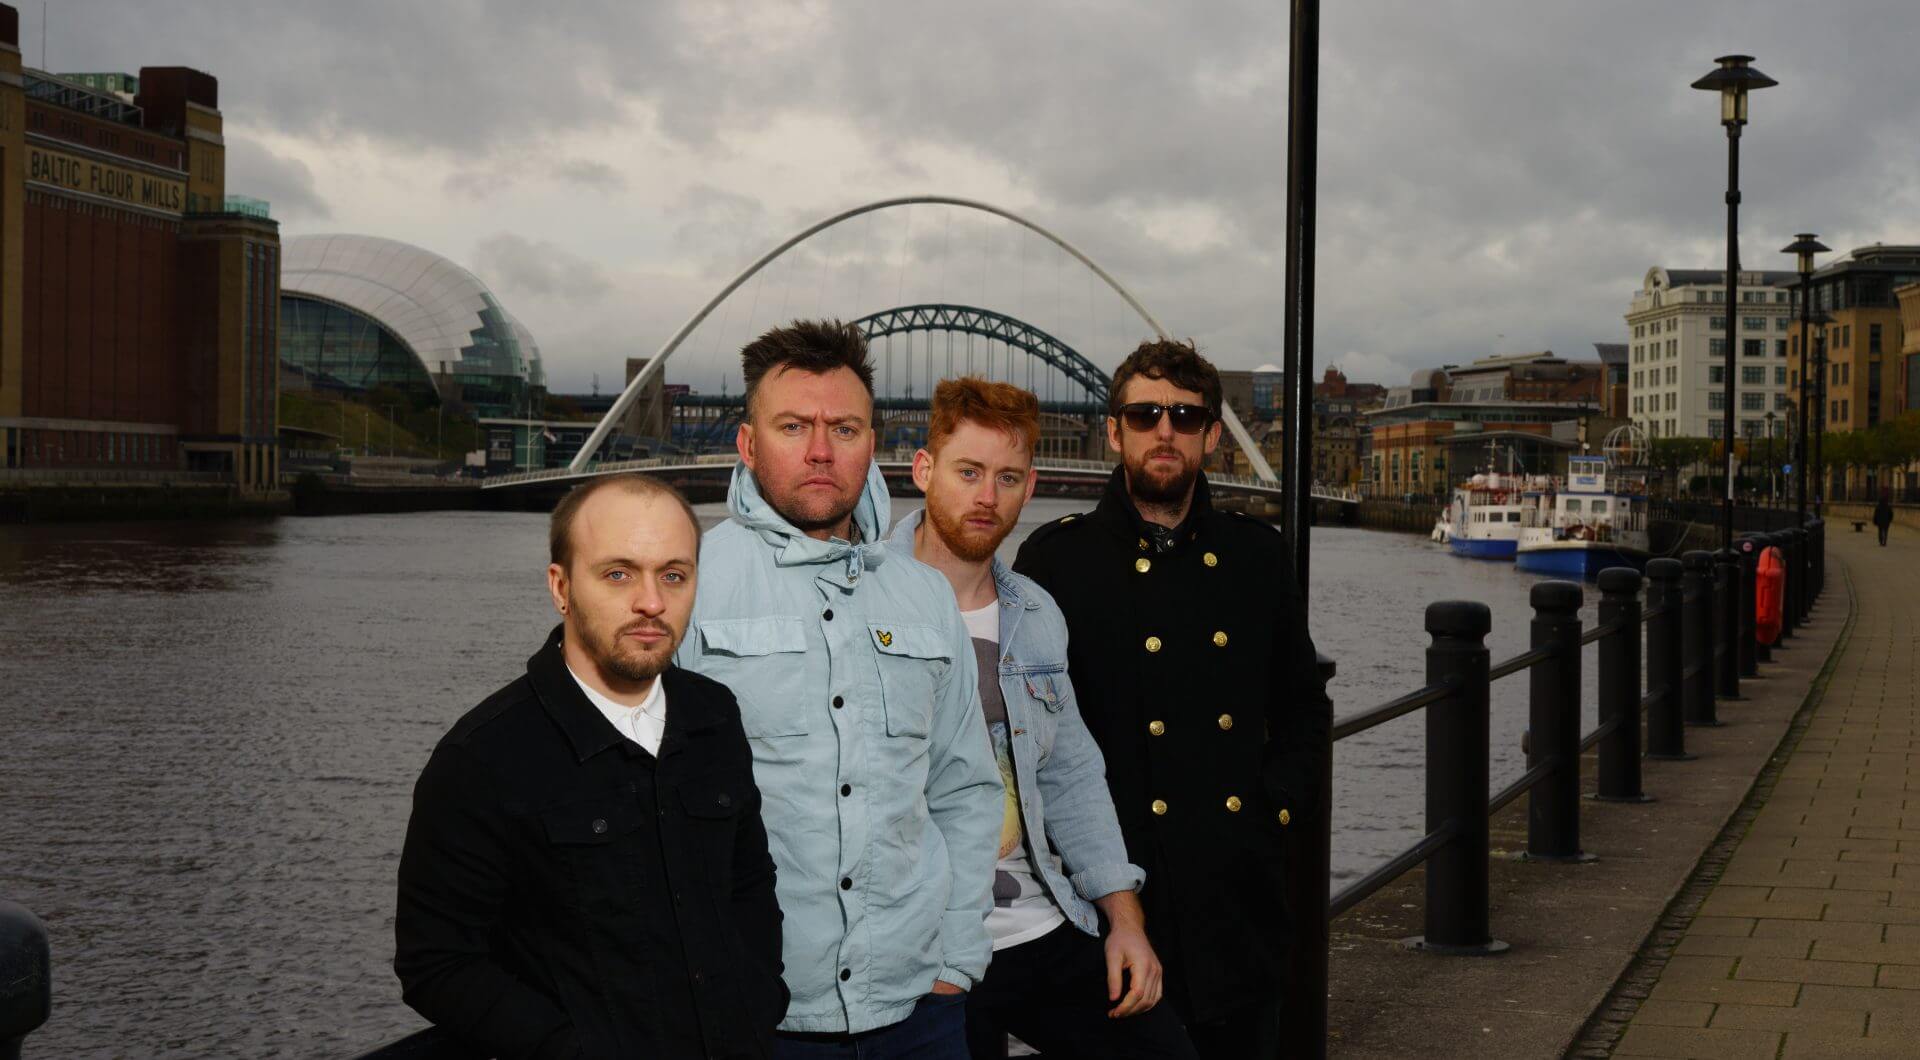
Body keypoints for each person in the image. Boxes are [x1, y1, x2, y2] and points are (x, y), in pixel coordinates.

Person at [676, 320, 1003, 1059]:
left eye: (844, 428)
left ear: (872, 443)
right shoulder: (688, 581)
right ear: (748, 444)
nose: (821, 450)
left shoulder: (923, 598)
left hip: (919, 1011)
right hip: (755, 1017)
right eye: (794, 426)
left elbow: (965, 787)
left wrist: (955, 956)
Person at [1014, 339, 1332, 1059]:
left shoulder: (1255, 555)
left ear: (1212, 437)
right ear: (1114, 430)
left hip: (1234, 899)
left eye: (1186, 417)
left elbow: (1303, 706)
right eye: (1147, 413)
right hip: (1113, 904)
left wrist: (1271, 808)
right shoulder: (1056, 560)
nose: (1166, 430)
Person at [395, 474, 786, 1058]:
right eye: (618, 573)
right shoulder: (482, 758)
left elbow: (749, 884)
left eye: (673, 575)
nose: (651, 602)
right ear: (561, 587)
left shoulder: (714, 715)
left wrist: (757, 1001)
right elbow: (437, 962)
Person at [889, 378, 1197, 1059]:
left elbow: (1072, 775)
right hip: (913, 945)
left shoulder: (1036, 614)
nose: (986, 496)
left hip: (1034, 924)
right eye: (968, 472)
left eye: (1006, 478)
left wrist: (1124, 919)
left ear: (1029, 489)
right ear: (924, 470)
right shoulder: (858, 599)